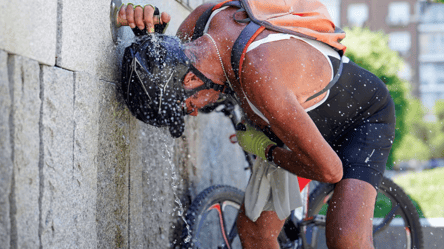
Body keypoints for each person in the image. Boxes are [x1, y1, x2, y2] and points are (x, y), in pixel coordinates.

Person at [117, 1, 396, 248]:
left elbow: (330, 170)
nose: (193, 114)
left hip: (361, 117)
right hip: (291, 126)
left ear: (190, 81)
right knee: (254, 233)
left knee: (345, 238)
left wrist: (265, 149)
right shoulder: (201, 21)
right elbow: (170, 63)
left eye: (188, 107)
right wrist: (149, 36)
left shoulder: (261, 75)